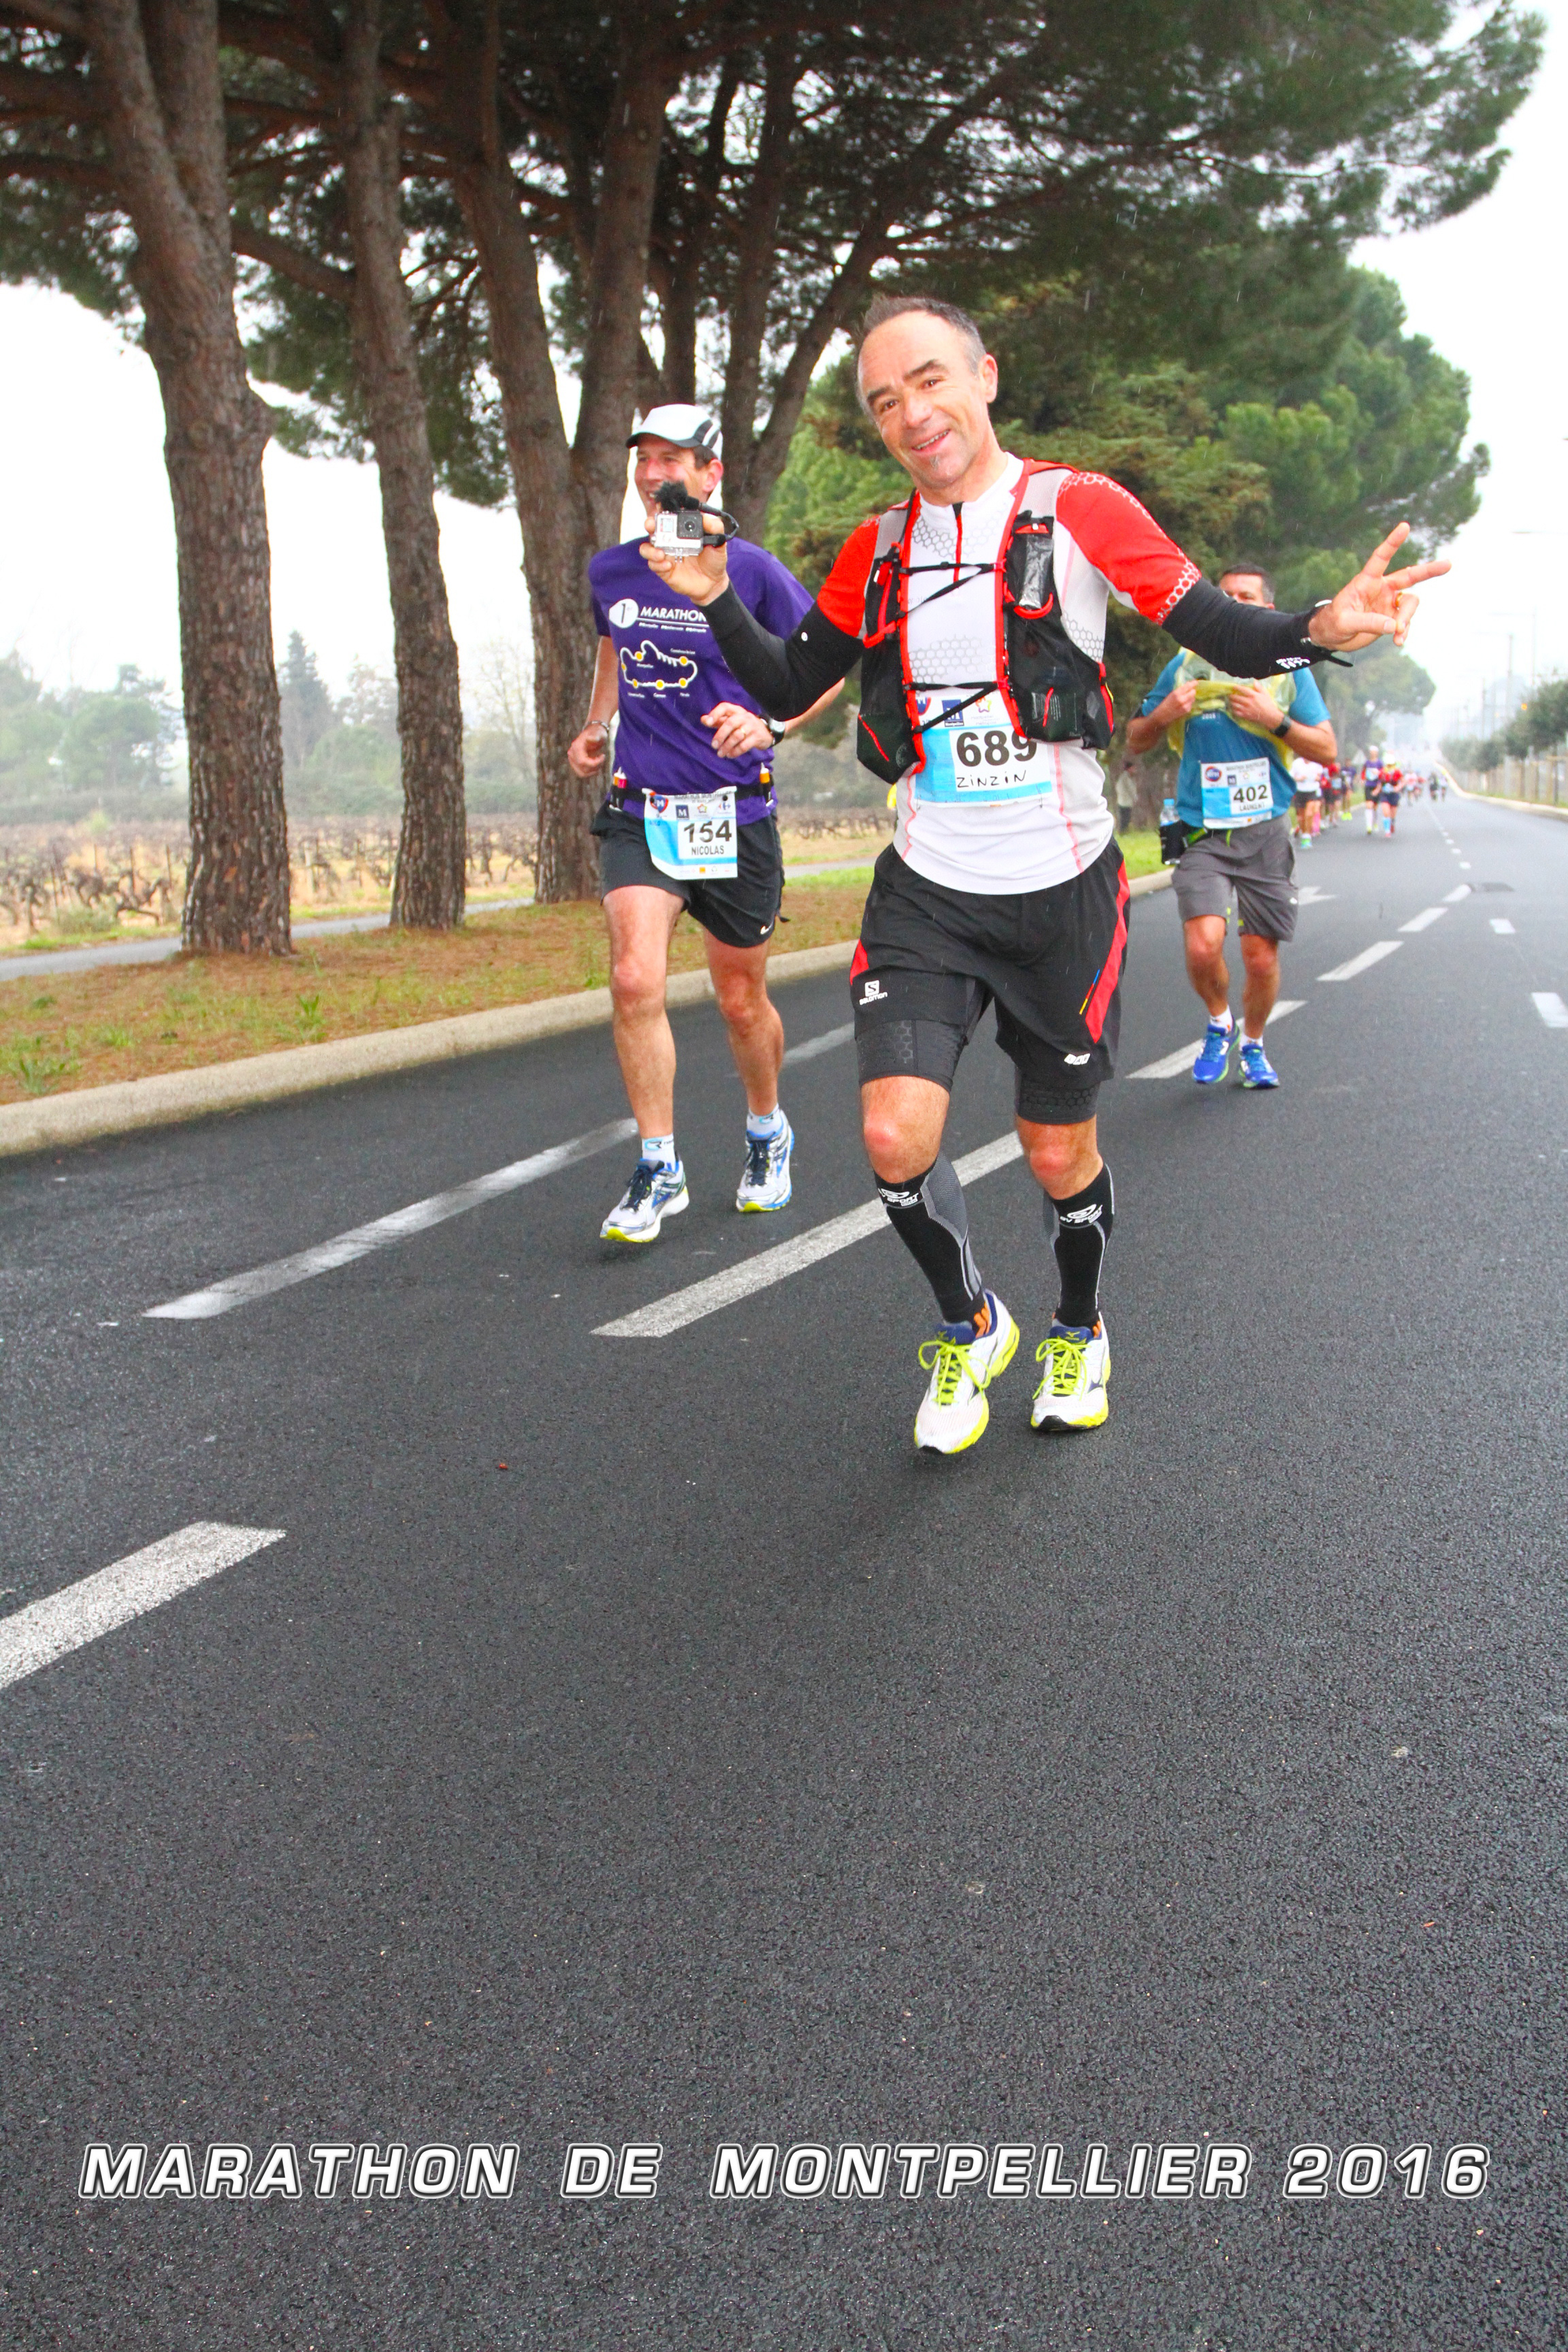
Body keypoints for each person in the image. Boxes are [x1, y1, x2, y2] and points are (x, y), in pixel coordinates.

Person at [636, 297, 1446, 1452]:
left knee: (1056, 1150)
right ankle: (970, 1325)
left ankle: (1077, 1327)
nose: (912, 414)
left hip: (1062, 887)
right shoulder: (876, 547)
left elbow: (1218, 627)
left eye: (929, 380)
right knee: (892, 1137)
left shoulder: (1077, 508)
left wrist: (1320, 624)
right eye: (884, 402)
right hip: (927, 886)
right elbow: (783, 685)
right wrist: (716, 597)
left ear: (984, 377)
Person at [568, 404, 838, 1244]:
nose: (654, 474)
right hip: (641, 807)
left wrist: (772, 725)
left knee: (740, 1000)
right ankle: (660, 1165)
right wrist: (597, 724)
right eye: (644, 459)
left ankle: (767, 1130)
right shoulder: (613, 570)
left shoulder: (749, 571)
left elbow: (826, 667)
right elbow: (614, 645)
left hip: (733, 812)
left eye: (673, 459)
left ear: (711, 474)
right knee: (633, 980)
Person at [1125, 563, 1338, 1090]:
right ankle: (1220, 1021)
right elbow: (1135, 738)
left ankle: (1254, 1044)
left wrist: (1275, 719)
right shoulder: (1185, 666)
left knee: (1260, 959)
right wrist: (1164, 714)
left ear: (1268, 609)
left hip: (1265, 830)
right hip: (1202, 831)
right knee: (1203, 945)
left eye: (1246, 596)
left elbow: (1327, 749)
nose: (1234, 603)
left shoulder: (1289, 672)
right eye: (1225, 596)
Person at [1114, 764, 1138, 834]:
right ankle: (1123, 832)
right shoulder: (1125, 777)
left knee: (1125, 818)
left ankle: (1124, 832)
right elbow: (1130, 789)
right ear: (1129, 769)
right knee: (1125, 818)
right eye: (1133, 768)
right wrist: (1134, 797)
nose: (1134, 770)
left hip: (1124, 801)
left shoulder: (1126, 777)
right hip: (1125, 801)